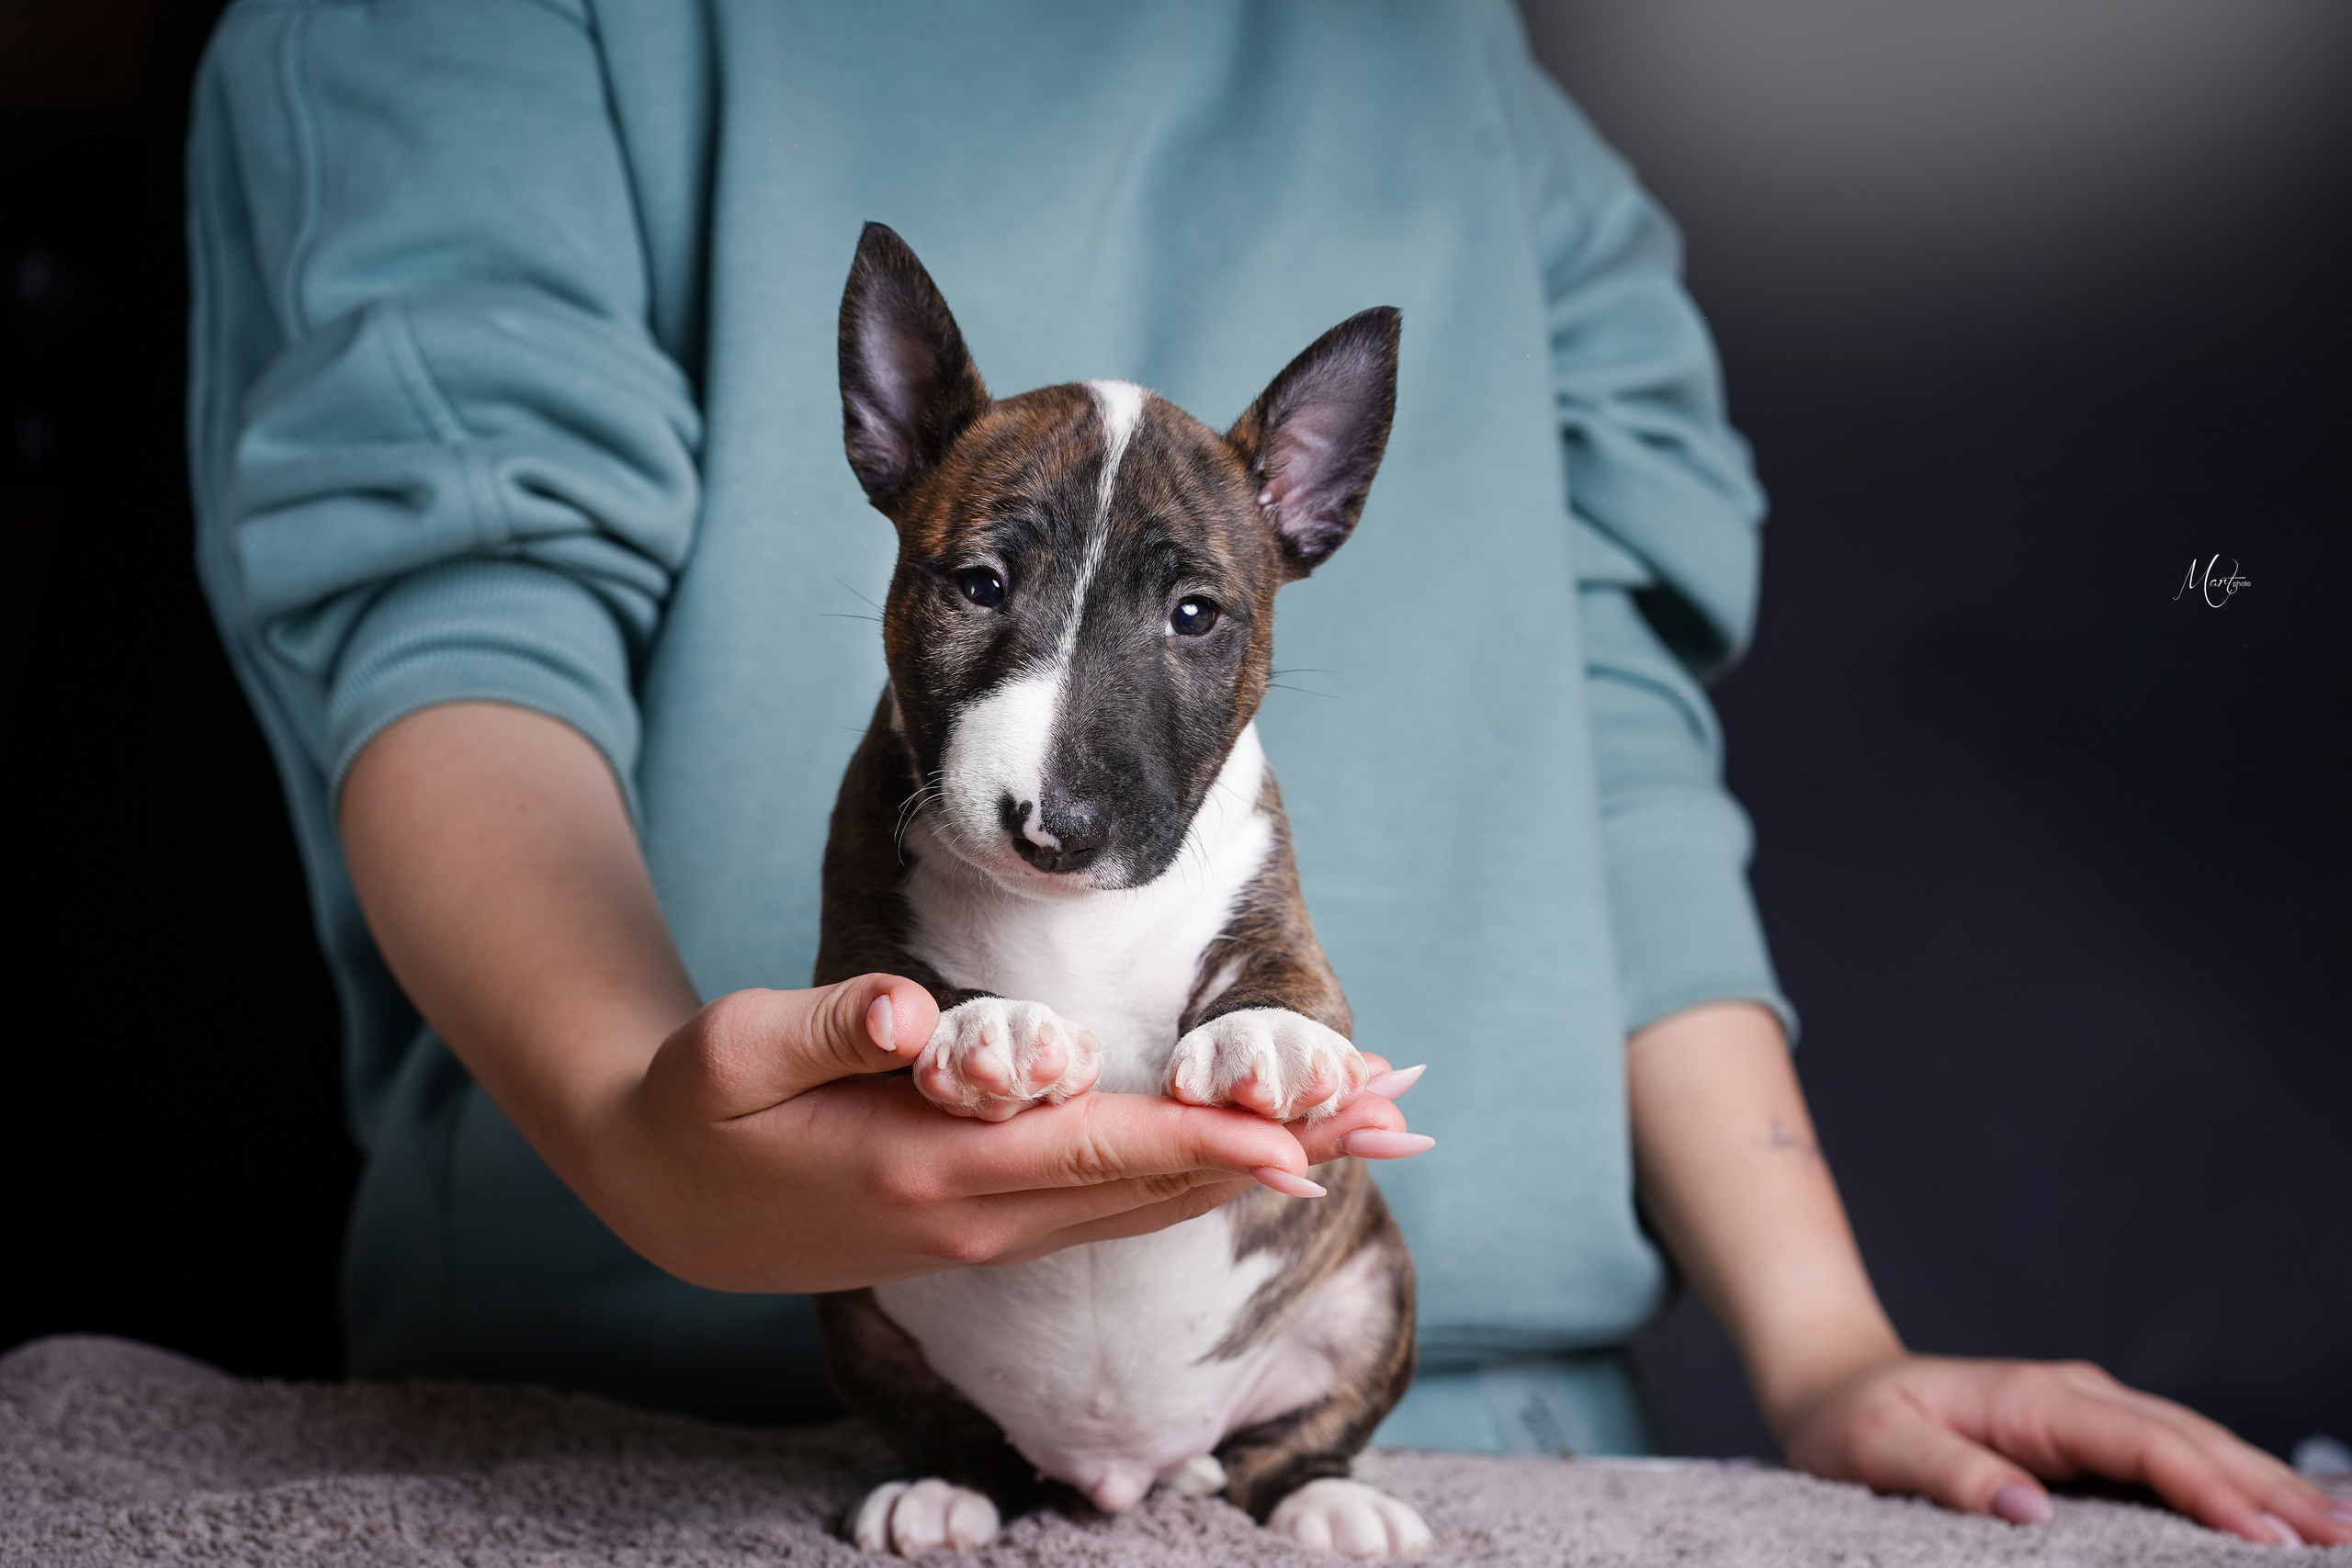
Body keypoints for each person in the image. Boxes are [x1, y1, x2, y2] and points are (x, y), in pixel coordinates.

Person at [185, 0, 2346, 1548]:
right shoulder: (459, 30)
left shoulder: (1454, 63)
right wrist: (643, 1128)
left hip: (1464, 1440)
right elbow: (447, 607)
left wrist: (1824, 1343)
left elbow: (1607, 708)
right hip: (656, 1442)